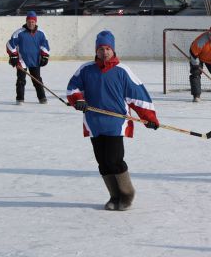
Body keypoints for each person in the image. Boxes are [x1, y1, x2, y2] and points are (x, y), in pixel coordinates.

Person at [66, 30, 160, 211]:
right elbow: (73, 88)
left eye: (108, 48)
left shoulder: (122, 71)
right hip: (93, 122)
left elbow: (139, 96)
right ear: (96, 50)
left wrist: (149, 118)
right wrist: (77, 99)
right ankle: (114, 195)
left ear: (113, 50)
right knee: (102, 161)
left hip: (115, 123)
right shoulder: (86, 69)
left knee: (114, 159)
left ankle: (126, 194)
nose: (104, 52)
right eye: (101, 49)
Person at [6, 11, 50, 105]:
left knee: (37, 80)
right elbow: (10, 45)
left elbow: (44, 45)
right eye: (29, 21)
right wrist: (13, 56)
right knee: (21, 80)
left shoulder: (41, 33)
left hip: (35, 60)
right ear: (26, 22)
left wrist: (45, 56)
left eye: (33, 21)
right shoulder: (19, 33)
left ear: (35, 22)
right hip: (22, 61)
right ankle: (20, 98)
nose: (31, 23)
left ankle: (42, 98)